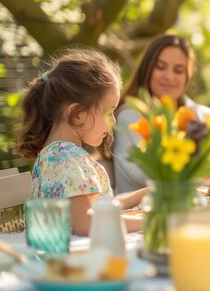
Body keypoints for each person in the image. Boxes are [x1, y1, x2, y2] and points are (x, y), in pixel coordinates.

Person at [15, 49, 146, 236]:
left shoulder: (57, 155)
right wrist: (149, 222)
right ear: (77, 114)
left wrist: (148, 192)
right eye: (109, 112)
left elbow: (103, 206)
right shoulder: (67, 158)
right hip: (75, 260)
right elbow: (85, 223)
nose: (114, 121)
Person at [112, 34, 210, 194]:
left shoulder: (203, 115)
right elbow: (143, 174)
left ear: (187, 77)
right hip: (139, 214)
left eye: (178, 70)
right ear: (147, 70)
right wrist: (204, 171)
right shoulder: (130, 115)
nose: (169, 76)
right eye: (161, 67)